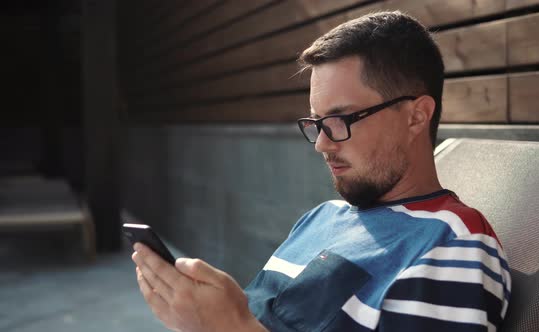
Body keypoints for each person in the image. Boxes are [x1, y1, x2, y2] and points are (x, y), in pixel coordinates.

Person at [132, 11, 511, 332]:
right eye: (317, 122)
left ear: (416, 116)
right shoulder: (321, 217)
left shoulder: (451, 246)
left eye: (342, 119)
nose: (322, 143)